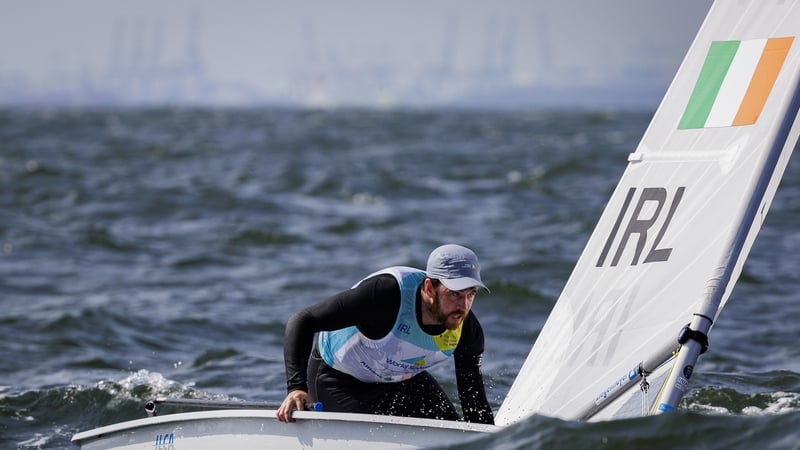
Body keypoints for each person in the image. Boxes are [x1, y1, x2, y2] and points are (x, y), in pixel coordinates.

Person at [276, 244, 494, 425]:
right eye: (454, 294)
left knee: (452, 432)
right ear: (429, 288)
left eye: (471, 294)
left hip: (398, 382)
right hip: (337, 379)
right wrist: (296, 388)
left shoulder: (468, 331)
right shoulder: (385, 295)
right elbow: (302, 320)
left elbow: (473, 401)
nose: (463, 306)